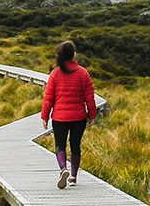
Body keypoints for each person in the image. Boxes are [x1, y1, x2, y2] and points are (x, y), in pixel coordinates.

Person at [41, 40, 96, 189]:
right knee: (75, 145)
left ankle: (63, 169)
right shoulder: (83, 73)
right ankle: (73, 177)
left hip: (59, 118)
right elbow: (89, 97)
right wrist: (92, 115)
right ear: (73, 54)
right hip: (78, 117)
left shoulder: (55, 74)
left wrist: (45, 116)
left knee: (60, 145)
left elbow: (48, 98)